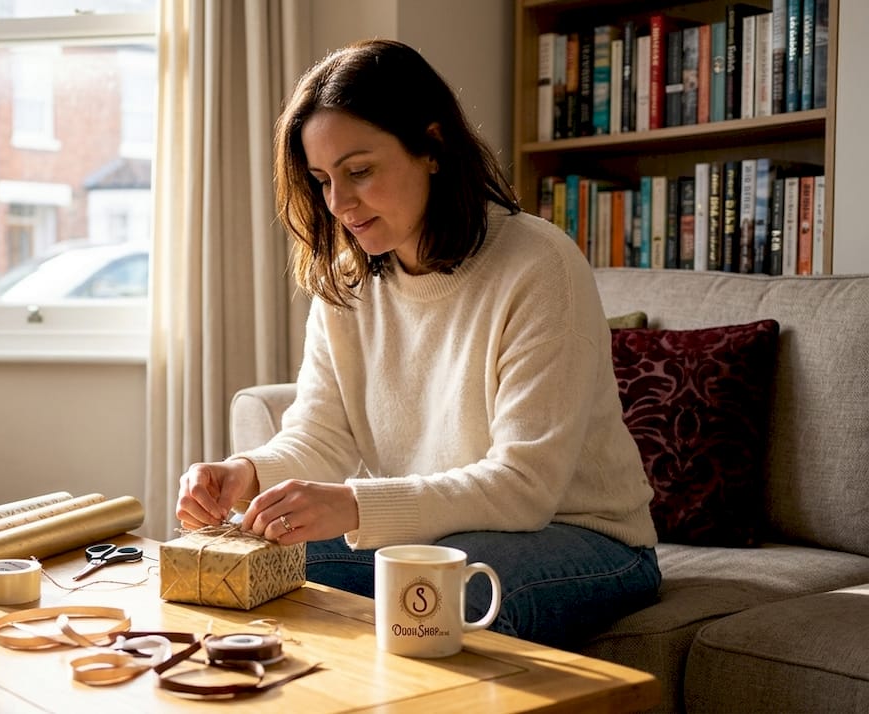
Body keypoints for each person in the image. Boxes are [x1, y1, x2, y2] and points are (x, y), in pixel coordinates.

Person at [174, 39, 661, 650]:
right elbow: (322, 435)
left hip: (588, 538)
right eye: (322, 179)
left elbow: (522, 486)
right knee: (234, 569)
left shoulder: (539, 264)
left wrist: (352, 505)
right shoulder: (349, 279)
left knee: (441, 593)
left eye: (359, 171)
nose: (339, 204)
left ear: (432, 147)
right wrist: (243, 474)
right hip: (435, 536)